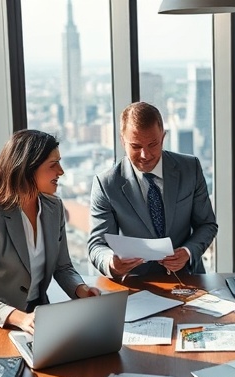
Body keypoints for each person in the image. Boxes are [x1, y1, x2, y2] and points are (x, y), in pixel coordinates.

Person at [0, 129, 100, 349]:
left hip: (37, 320)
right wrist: (20, 318)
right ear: (27, 169)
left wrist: (81, 289)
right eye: (53, 165)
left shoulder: (54, 208)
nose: (61, 171)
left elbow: (63, 267)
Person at [88, 101, 218, 277]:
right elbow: (97, 244)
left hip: (187, 279)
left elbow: (207, 224)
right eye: (136, 146)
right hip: (136, 285)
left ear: (163, 137)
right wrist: (111, 262)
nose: (145, 155)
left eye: (153, 144)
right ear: (122, 141)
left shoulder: (190, 168)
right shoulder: (106, 184)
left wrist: (187, 252)